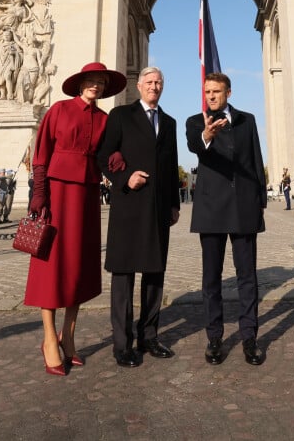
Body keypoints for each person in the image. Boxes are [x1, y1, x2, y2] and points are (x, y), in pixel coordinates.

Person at [23, 61, 127, 376]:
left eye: (101, 81)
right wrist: (39, 193)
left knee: (78, 265)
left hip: (87, 196)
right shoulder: (58, 110)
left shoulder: (106, 119)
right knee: (52, 264)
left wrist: (120, 160)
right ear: (80, 83)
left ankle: (68, 336)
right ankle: (48, 338)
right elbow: (41, 153)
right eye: (91, 80)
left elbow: (107, 155)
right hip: (56, 192)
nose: (96, 85)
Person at [98, 66, 180, 368]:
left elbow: (170, 166)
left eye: (159, 82)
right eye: (149, 82)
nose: (154, 86)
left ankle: (149, 337)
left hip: (158, 208)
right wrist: (124, 179)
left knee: (155, 273)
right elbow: (103, 156)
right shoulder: (120, 116)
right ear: (139, 86)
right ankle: (122, 344)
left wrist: (174, 204)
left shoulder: (169, 123)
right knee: (124, 276)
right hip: (129, 205)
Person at [186, 72, 267, 367]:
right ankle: (215, 338)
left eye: (216, 92)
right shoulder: (196, 121)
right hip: (211, 208)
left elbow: (256, 159)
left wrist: (259, 198)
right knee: (212, 279)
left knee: (248, 277)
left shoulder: (248, 119)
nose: (211, 97)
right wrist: (208, 135)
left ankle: (249, 338)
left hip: (244, 205)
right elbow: (195, 144)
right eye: (207, 92)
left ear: (229, 93)